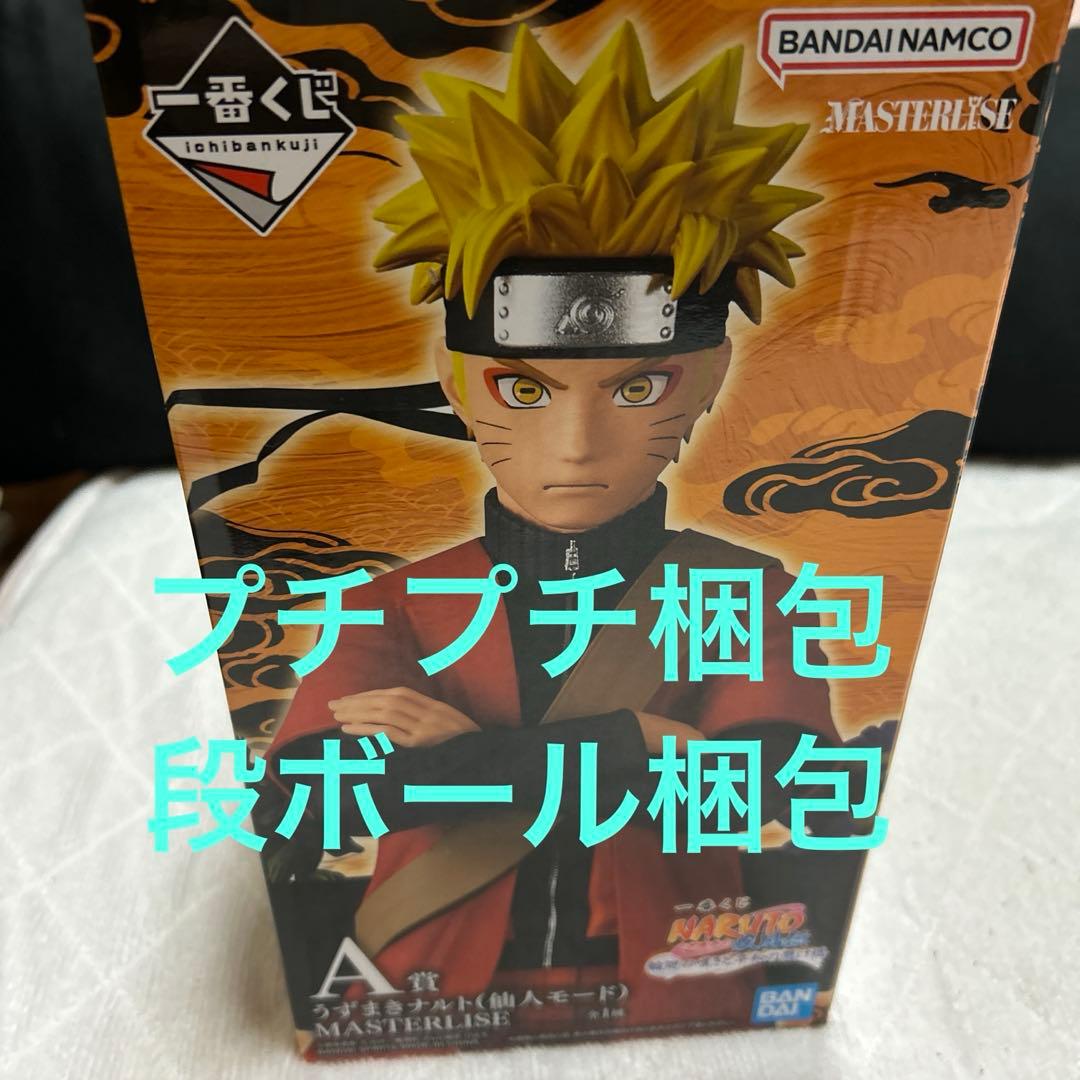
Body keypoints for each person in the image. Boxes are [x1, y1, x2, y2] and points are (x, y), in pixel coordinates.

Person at [267, 22, 836, 1028]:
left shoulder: (742, 593)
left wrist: (466, 754)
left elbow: (767, 784)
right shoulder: (397, 600)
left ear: (708, 377)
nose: (575, 444)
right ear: (455, 380)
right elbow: (306, 799)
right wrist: (635, 742)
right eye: (522, 389)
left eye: (638, 387)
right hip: (420, 995)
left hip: (679, 997)